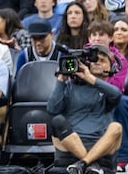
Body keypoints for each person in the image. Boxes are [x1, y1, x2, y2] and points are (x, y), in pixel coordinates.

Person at [47, 44, 122, 174]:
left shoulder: (107, 91)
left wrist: (89, 78)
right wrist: (61, 79)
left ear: (111, 67)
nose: (98, 62)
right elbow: (52, 109)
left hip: (100, 148)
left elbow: (116, 95)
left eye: (103, 60)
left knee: (116, 127)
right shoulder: (69, 87)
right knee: (57, 121)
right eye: (95, 60)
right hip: (70, 148)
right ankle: (90, 163)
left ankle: (83, 163)